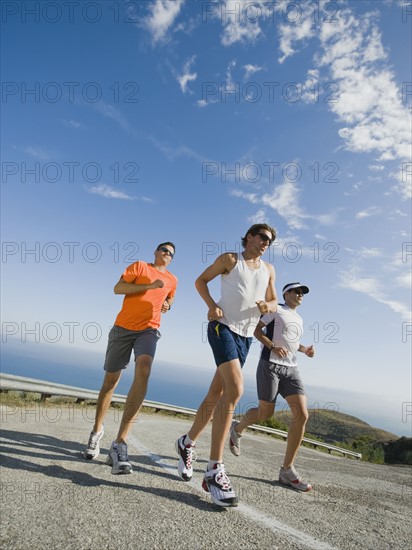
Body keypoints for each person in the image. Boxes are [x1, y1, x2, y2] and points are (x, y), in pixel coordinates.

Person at [175, 224, 277, 507]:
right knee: (235, 391)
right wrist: (211, 305)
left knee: (217, 394)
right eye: (263, 238)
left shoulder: (268, 269)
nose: (266, 243)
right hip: (221, 328)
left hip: (246, 338)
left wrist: (269, 306)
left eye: (270, 241)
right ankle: (214, 470)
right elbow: (200, 281)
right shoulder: (230, 260)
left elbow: (274, 300)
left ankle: (187, 442)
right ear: (249, 238)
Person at [83, 242, 177, 474]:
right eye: (164, 250)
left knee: (144, 368)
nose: (167, 254)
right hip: (122, 328)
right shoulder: (140, 266)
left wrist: (167, 304)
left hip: (149, 329)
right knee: (111, 382)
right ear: (155, 252)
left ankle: (120, 443)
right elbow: (118, 288)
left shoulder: (173, 280)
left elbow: (170, 299)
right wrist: (149, 285)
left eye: (172, 254)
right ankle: (97, 431)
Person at [229, 282, 315, 492]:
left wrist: (304, 350)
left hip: (292, 369)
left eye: (302, 292)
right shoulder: (276, 310)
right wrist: (272, 346)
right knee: (265, 413)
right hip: (270, 366)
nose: (300, 295)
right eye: (296, 291)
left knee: (302, 415)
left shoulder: (299, 318)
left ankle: (287, 470)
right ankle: (237, 428)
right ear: (286, 294)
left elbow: (292, 342)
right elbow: (257, 330)